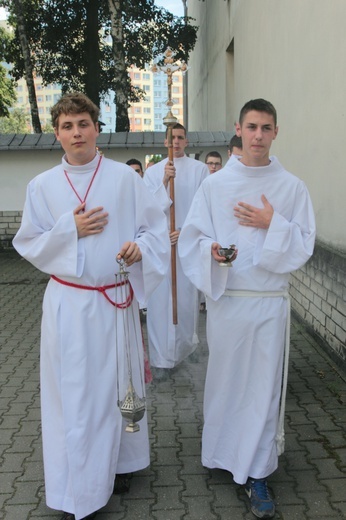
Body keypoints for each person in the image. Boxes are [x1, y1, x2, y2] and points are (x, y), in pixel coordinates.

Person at [12, 92, 170, 520]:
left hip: (113, 302)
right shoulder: (41, 187)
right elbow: (27, 243)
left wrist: (139, 247)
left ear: (96, 128)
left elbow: (153, 230)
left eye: (83, 123)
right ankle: (78, 487)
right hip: (70, 305)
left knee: (116, 388)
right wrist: (71, 229)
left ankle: (118, 463)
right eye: (67, 126)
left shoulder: (124, 179)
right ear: (56, 134)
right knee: (76, 396)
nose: (76, 132)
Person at [178, 99, 315, 519]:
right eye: (251, 126)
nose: (258, 135)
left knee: (261, 388)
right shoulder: (215, 186)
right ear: (238, 128)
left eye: (266, 127)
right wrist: (212, 252)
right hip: (229, 303)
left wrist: (272, 222)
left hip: (269, 304)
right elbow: (192, 238)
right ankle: (222, 453)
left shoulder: (291, 187)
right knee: (226, 382)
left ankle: (257, 472)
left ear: (277, 132)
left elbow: (304, 243)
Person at [143, 122, 209, 380]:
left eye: (181, 138)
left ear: (187, 142)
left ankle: (184, 351)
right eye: (172, 138)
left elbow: (203, 207)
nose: (176, 142)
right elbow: (146, 209)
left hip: (186, 244)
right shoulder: (152, 173)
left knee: (184, 299)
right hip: (162, 246)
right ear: (164, 142)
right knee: (161, 303)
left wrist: (184, 232)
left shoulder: (200, 170)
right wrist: (163, 181)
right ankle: (160, 359)